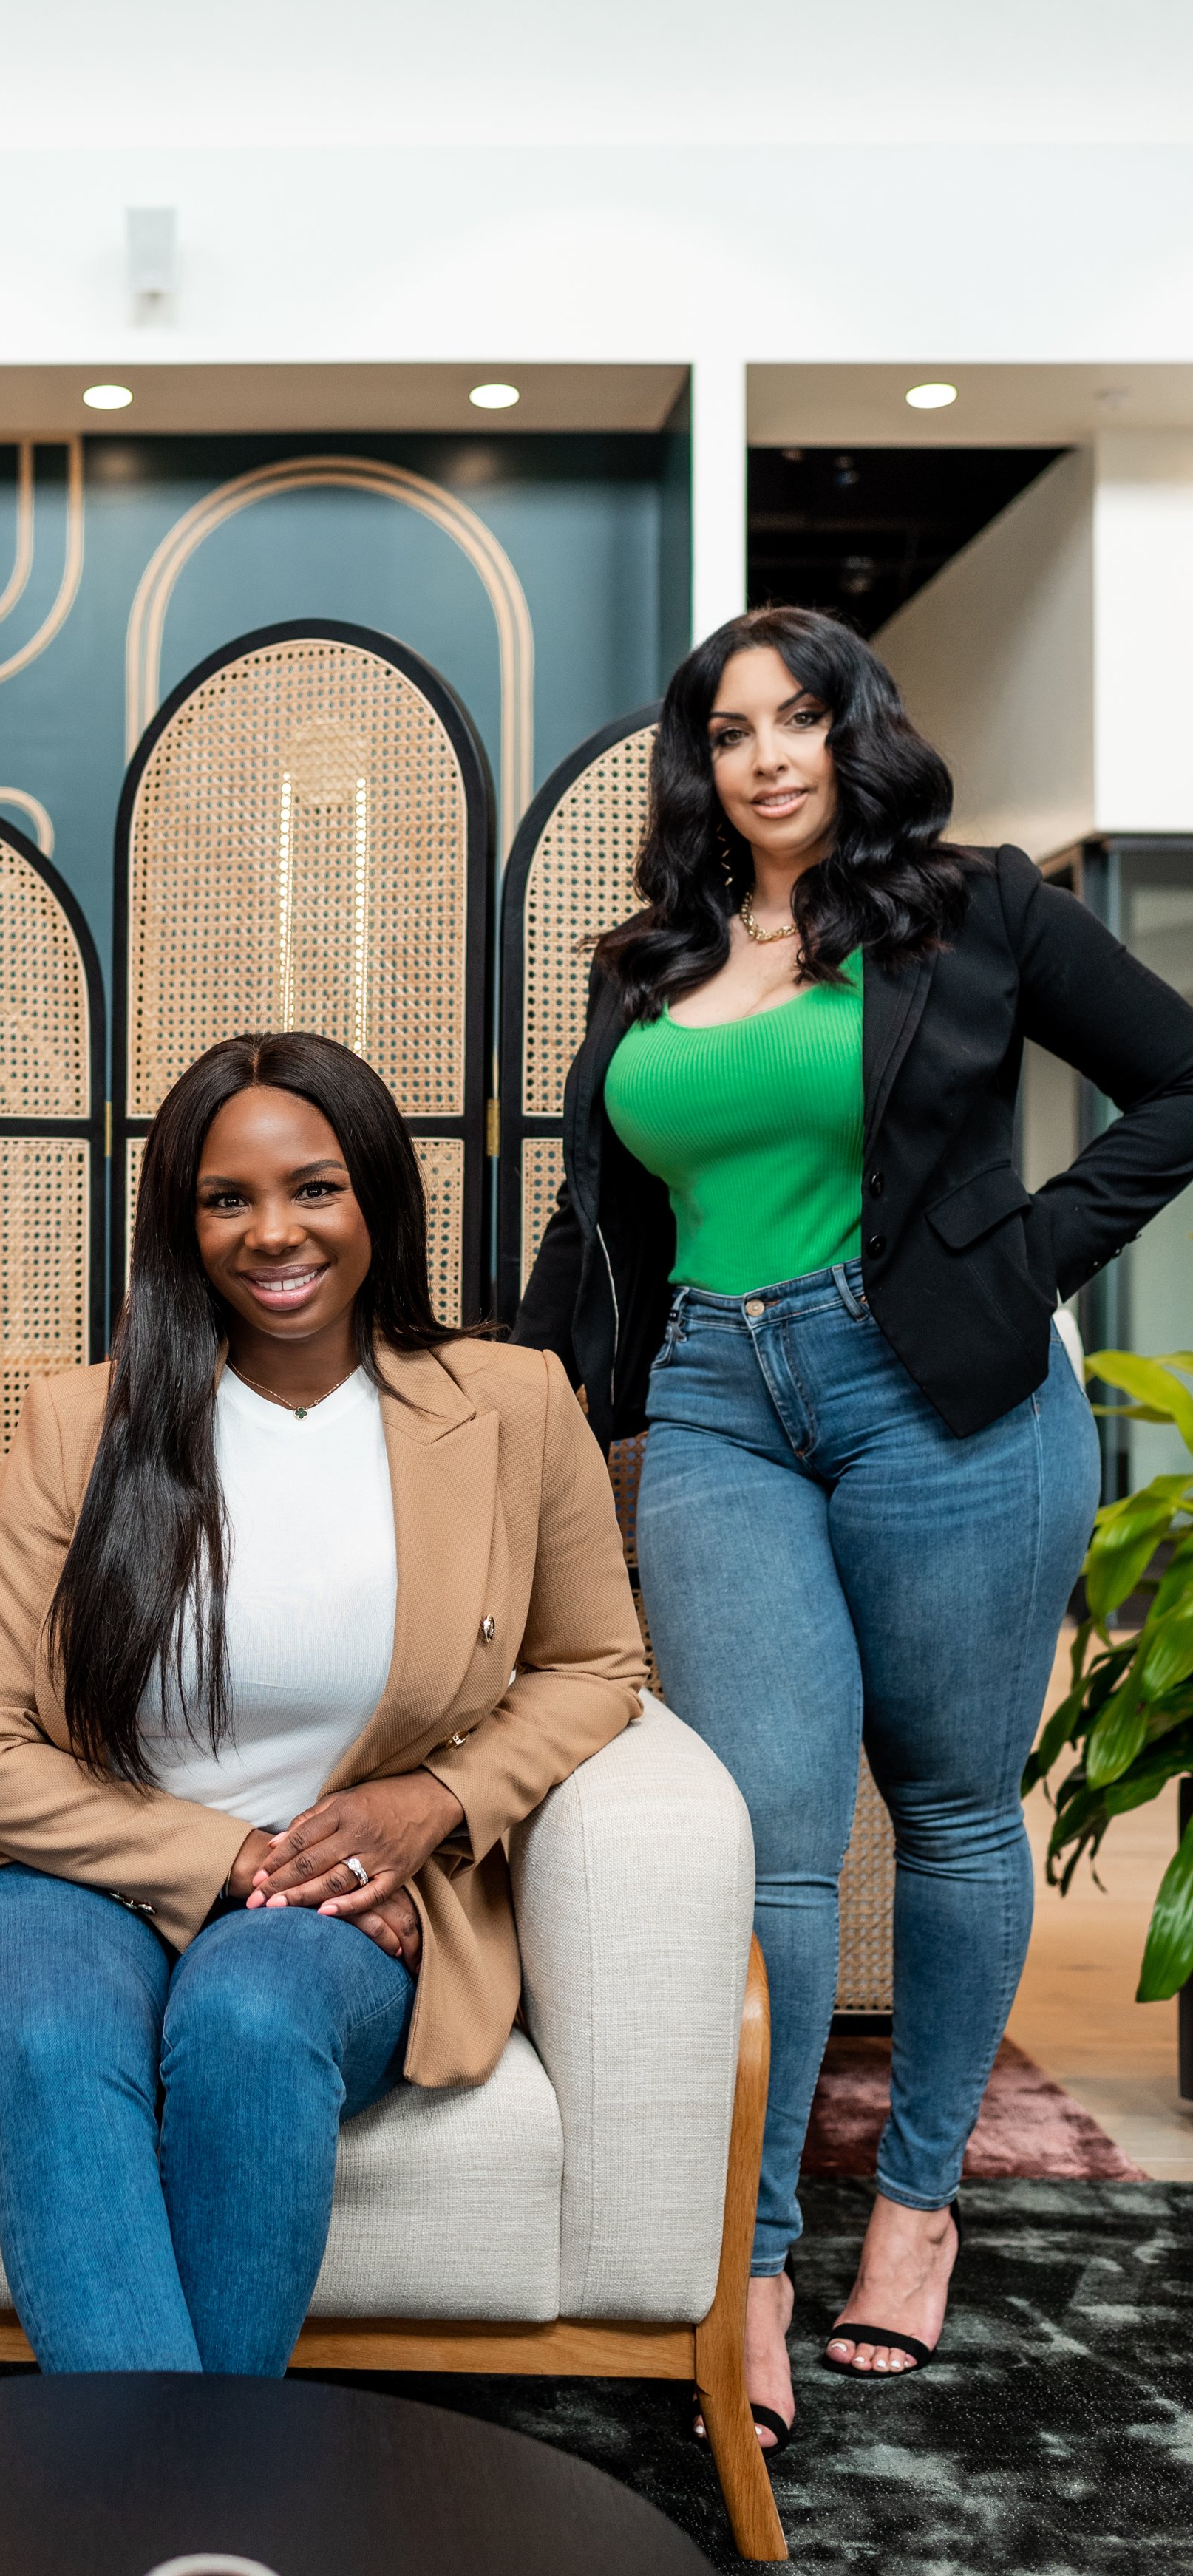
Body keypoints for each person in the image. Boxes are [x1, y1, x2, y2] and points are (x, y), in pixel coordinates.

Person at [514, 605, 1193, 2450]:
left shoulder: (966, 906)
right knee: (766, 1839)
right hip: (717, 1400)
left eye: (800, 717)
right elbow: (604, 1227)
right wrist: (513, 1396)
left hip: (943, 1399)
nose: (767, 756)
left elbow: (1180, 1080)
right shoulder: (643, 960)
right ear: (700, 767)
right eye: (728, 730)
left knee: (955, 1805)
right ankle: (748, 2252)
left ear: (854, 729)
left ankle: (912, 2206)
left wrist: (1023, 1255)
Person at [0, 1029, 645, 2373]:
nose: (272, 1232)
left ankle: (155, 2511)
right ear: (182, 1222)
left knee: (247, 2019)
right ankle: (203, 2513)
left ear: (378, 1201)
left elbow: (597, 1666)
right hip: (63, 1873)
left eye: (315, 1188)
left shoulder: (513, 1404)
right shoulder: (85, 1422)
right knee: (54, 2040)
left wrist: (435, 1802)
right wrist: (225, 1860)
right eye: (227, 1198)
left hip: (343, 1896)